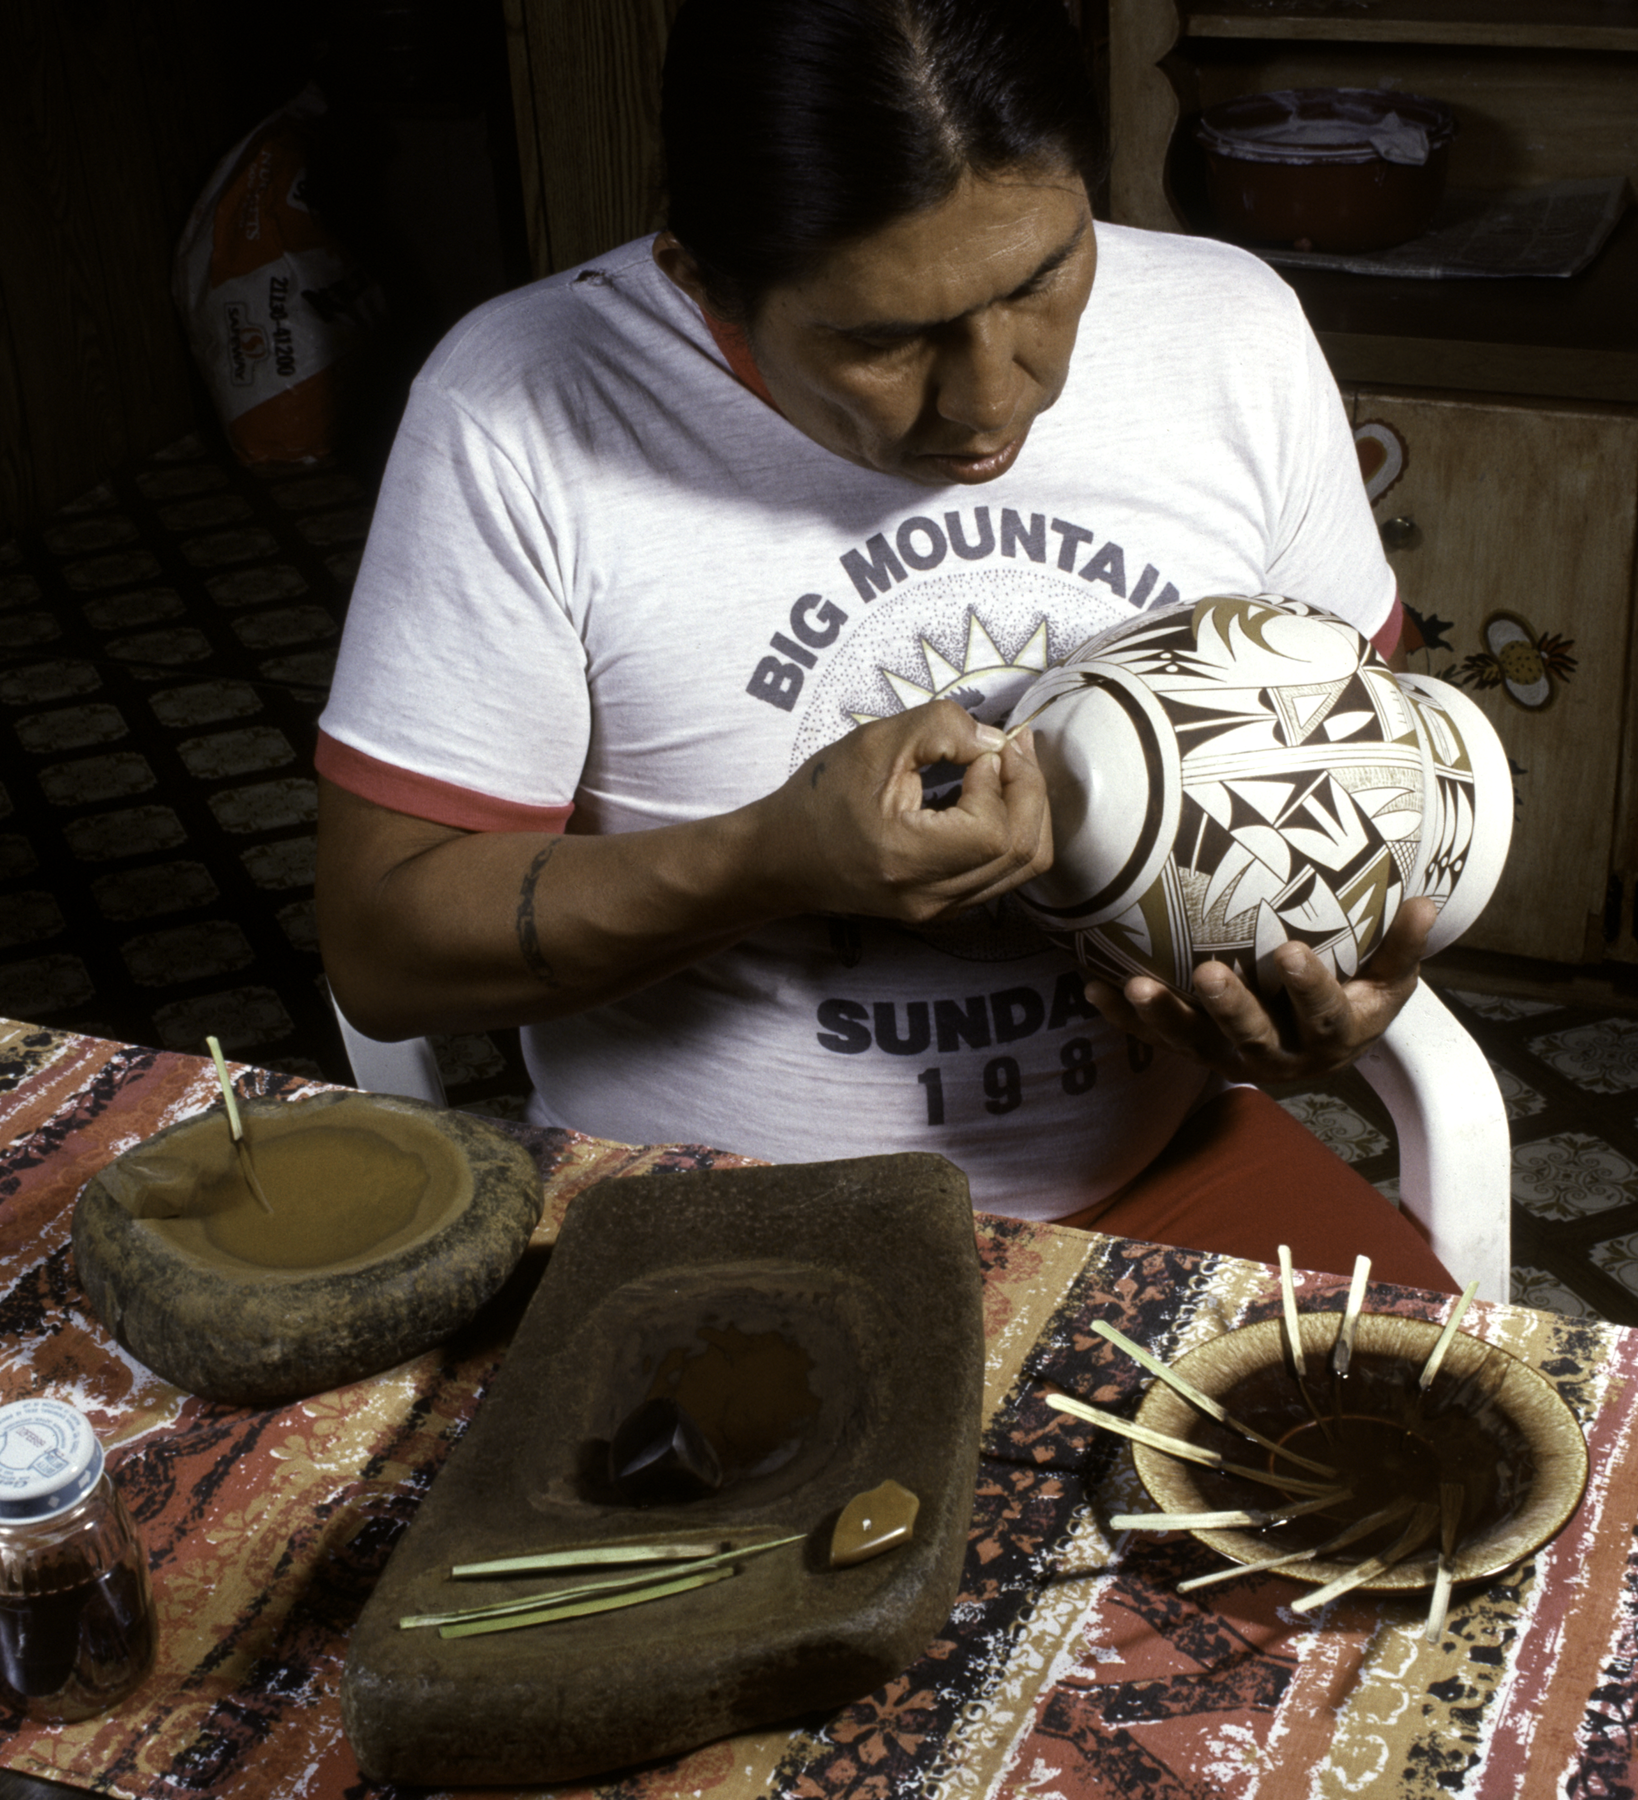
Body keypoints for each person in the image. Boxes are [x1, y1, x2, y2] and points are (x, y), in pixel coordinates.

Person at [315, 0, 1454, 1291]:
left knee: (1523, 1475)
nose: (988, 397)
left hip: (1169, 1169)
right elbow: (380, 942)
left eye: (1038, 278)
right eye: (879, 339)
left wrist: (1308, 989)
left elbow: (1358, 780)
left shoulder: (1230, 335)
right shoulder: (521, 408)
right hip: (709, 1218)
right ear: (702, 283)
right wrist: (769, 858)